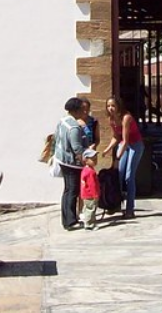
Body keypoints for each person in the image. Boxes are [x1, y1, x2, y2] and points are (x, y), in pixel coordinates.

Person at [102, 96, 144, 218]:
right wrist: (107, 150)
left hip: (135, 145)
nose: (111, 108)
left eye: (113, 106)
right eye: (108, 106)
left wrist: (117, 157)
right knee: (118, 175)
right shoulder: (112, 120)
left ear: (119, 106)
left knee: (129, 177)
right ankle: (116, 204)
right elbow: (116, 137)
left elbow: (125, 141)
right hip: (124, 145)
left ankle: (130, 209)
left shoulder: (126, 118)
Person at [53, 97, 90, 230]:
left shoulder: (63, 121)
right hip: (71, 163)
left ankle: (66, 219)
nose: (84, 111)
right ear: (76, 110)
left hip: (62, 160)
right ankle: (71, 221)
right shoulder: (74, 126)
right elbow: (77, 148)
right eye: (82, 109)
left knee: (67, 190)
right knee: (73, 191)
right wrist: (84, 160)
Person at [79, 149, 100, 230]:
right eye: (93, 159)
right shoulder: (90, 172)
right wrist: (95, 194)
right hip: (91, 195)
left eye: (96, 159)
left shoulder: (85, 170)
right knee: (91, 209)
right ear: (86, 160)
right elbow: (92, 185)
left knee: (87, 208)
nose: (95, 161)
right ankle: (89, 224)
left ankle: (87, 221)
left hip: (85, 194)